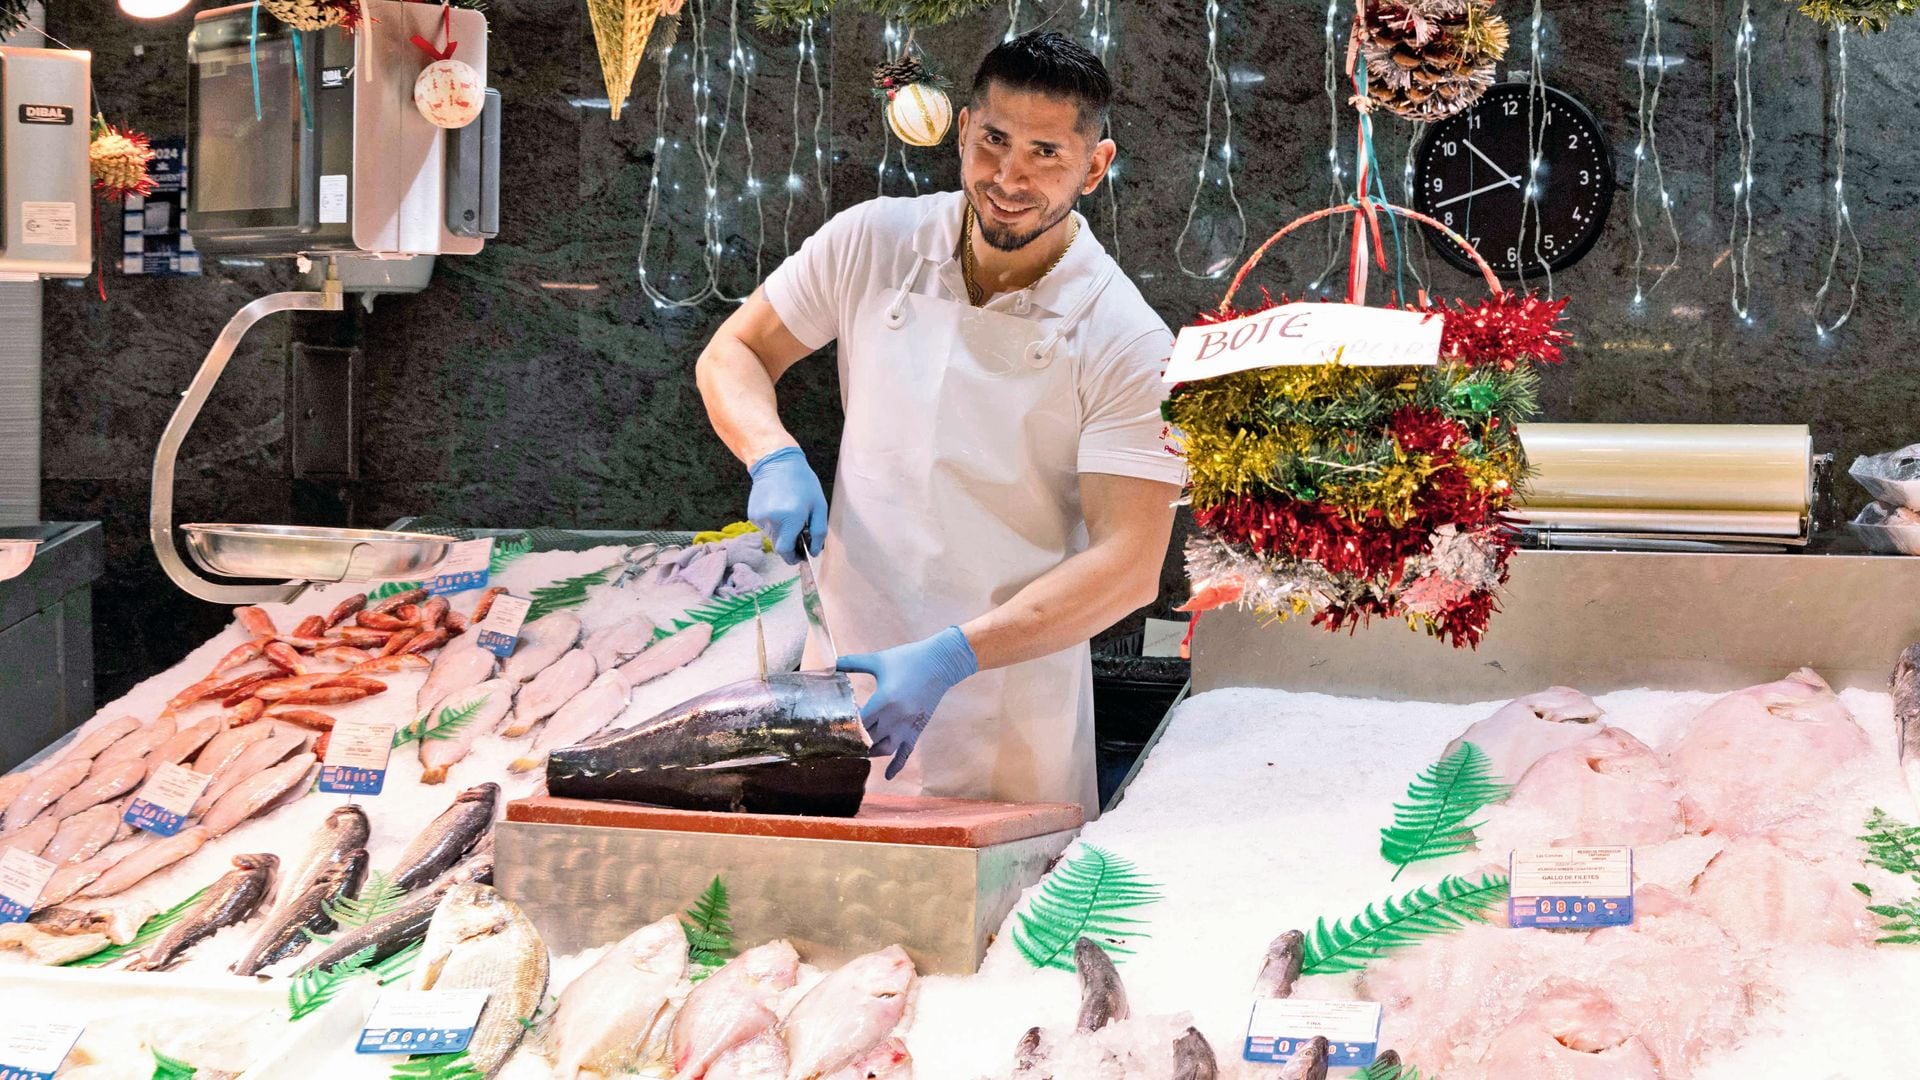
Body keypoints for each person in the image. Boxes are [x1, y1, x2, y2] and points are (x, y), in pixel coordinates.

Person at [694, 30, 1181, 818]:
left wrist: (956, 655)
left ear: (1095, 166)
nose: (1008, 177)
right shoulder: (873, 240)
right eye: (993, 140)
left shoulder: (1126, 336)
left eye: (1045, 154)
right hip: (838, 675)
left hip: (1006, 713)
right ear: (962, 131)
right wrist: (770, 454)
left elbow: (1129, 564)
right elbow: (735, 352)